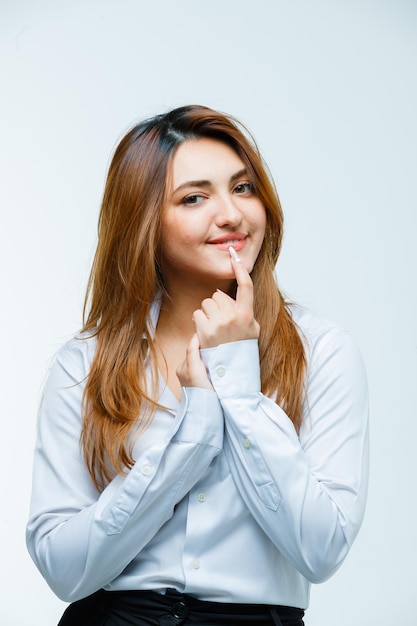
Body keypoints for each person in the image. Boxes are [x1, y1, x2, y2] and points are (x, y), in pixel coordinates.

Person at [26, 105, 369, 626]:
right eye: (194, 197)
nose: (231, 214)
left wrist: (235, 384)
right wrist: (194, 435)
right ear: (144, 222)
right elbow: (63, 570)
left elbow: (321, 550)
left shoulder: (322, 351)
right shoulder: (86, 362)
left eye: (243, 188)